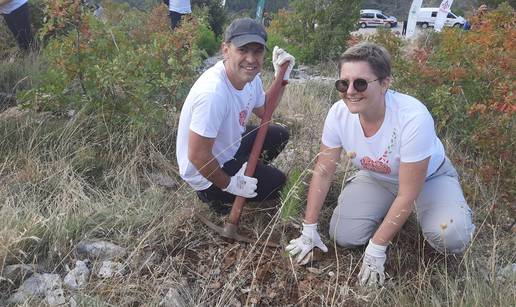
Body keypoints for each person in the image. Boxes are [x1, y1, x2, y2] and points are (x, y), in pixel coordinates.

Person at [285, 42, 475, 287]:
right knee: (344, 236)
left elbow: (408, 193)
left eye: (361, 83)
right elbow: (323, 172)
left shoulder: (413, 118)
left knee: (451, 236)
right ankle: (390, 211)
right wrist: (309, 227)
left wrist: (377, 247)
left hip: (429, 178)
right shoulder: (338, 113)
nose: (350, 91)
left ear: (385, 83)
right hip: (378, 176)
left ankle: (450, 209)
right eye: (343, 83)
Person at [176, 18, 295, 214]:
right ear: (225, 50)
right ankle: (219, 199)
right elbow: (198, 156)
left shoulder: (250, 78)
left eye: (257, 51)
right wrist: (230, 184)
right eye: (242, 50)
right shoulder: (213, 94)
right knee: (277, 183)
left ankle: (245, 169)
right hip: (203, 176)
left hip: (227, 146)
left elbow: (265, 111)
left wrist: (281, 78)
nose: (251, 59)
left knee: (278, 135)